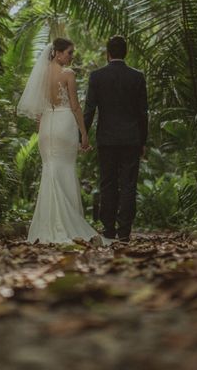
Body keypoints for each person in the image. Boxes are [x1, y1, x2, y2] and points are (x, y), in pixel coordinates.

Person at [17, 37, 107, 245]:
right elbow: (75, 107)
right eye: (69, 52)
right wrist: (83, 133)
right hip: (64, 123)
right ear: (57, 52)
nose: (71, 56)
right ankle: (68, 224)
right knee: (64, 169)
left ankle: (47, 225)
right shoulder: (68, 74)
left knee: (50, 170)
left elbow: (39, 107)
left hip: (47, 125)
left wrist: (41, 128)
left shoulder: (41, 74)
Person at [84, 35, 148, 242]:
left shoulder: (97, 76)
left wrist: (82, 135)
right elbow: (143, 113)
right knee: (129, 184)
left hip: (107, 138)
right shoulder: (137, 77)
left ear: (107, 53)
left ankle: (109, 229)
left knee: (107, 183)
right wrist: (143, 141)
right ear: (125, 52)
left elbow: (90, 109)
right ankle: (125, 231)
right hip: (131, 138)